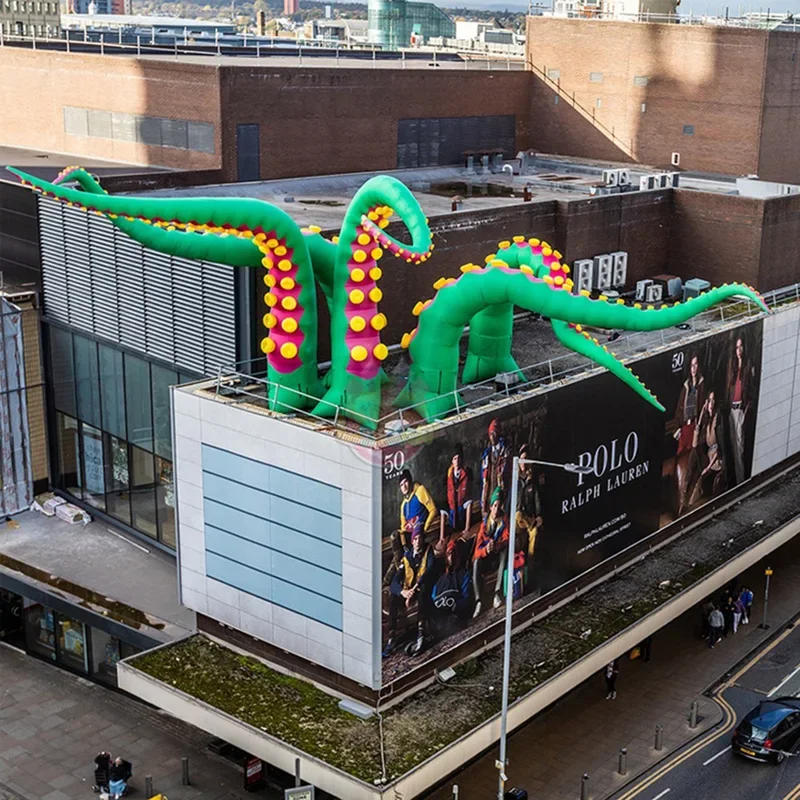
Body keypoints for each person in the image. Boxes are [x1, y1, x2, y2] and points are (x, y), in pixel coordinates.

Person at [384, 523, 437, 657]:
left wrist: (416, 587)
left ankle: (421, 632)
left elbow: (429, 570)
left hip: (421, 588)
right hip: (409, 590)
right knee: (393, 597)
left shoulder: (428, 551)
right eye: (415, 539)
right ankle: (392, 637)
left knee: (423, 590)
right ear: (412, 541)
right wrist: (403, 592)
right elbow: (395, 581)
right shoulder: (406, 558)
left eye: (420, 538)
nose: (418, 541)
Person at [671, 354, 705, 515]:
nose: (694, 368)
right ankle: (678, 500)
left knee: (690, 463)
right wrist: (678, 428)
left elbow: (703, 408)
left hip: (694, 429)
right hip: (684, 428)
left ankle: (686, 501)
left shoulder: (701, 385)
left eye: (696, 365)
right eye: (692, 365)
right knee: (680, 461)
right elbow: (679, 409)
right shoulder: (685, 386)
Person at [471, 487, 509, 617]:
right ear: (491, 507)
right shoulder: (484, 525)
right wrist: (486, 550)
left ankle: (497, 593)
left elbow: (507, 539)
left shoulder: (504, 521)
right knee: (476, 563)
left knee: (505, 552)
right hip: (487, 557)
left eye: (499, 506)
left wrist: (497, 546)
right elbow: (477, 551)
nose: (496, 509)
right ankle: (478, 601)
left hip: (498, 556)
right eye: (494, 506)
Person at [688, 390, 727, 505]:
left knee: (702, 477)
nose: (711, 403)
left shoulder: (718, 419)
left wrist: (708, 468)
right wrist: (701, 415)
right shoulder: (707, 421)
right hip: (708, 457)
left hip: (716, 462)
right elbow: (694, 444)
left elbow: (720, 448)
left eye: (713, 400)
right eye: (709, 401)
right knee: (694, 452)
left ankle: (691, 504)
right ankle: (685, 494)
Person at [726, 336, 754, 485]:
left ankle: (741, 480)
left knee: (740, 447)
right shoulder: (733, 366)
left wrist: (746, 409)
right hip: (731, 409)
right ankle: (737, 481)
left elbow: (750, 390)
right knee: (733, 447)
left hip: (741, 410)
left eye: (741, 346)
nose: (739, 350)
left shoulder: (748, 366)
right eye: (737, 347)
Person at [431, 539, 474, 629]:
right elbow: (433, 599)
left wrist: (455, 606)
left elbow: (466, 597)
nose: (451, 557)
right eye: (449, 554)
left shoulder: (464, 574)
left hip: (456, 613)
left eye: (453, 553)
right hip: (440, 614)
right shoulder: (439, 581)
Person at [480, 419, 511, 517]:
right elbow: (484, 471)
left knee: (499, 506)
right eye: (490, 434)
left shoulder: (505, 450)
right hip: (489, 484)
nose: (492, 437)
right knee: (489, 506)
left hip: (500, 484)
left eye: (494, 433)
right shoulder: (487, 454)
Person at [446, 445, 473, 533]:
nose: (457, 461)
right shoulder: (448, 476)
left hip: (462, 509)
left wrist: (467, 528)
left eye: (458, 458)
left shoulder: (466, 474)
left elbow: (469, 498)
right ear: (452, 461)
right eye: (454, 458)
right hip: (452, 510)